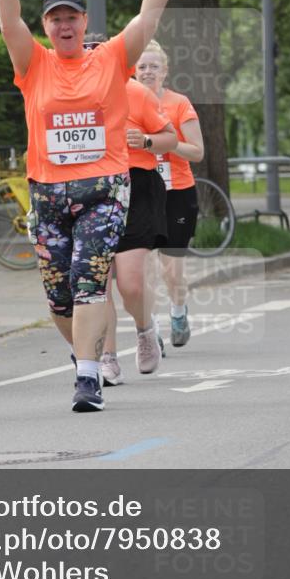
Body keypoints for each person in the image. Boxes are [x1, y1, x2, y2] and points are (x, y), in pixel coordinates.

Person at [0, 0, 191, 412]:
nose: (65, 25)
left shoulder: (109, 60)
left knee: (89, 280)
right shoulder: (33, 64)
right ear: (46, 26)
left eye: (72, 17)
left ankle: (88, 377)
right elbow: (7, 21)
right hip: (48, 194)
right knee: (59, 297)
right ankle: (82, 355)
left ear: (85, 22)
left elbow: (150, 15)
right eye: (55, 19)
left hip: (104, 190)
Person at [101, 70, 178, 385]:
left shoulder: (136, 92)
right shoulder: (72, 95)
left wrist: (146, 141)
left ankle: (145, 328)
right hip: (92, 190)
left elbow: (170, 138)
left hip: (136, 186)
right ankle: (106, 357)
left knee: (130, 285)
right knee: (96, 285)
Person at [135, 39, 205, 347]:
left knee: (171, 269)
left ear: (165, 71)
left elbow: (197, 152)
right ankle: (149, 330)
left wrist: (166, 141)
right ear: (133, 71)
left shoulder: (179, 104)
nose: (148, 72)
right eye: (142, 67)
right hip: (140, 192)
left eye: (153, 66)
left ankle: (178, 312)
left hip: (177, 192)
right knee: (140, 268)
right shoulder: (125, 101)